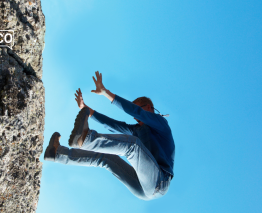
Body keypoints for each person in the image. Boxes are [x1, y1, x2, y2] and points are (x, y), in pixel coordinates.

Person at [44, 71, 175, 200]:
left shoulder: (160, 123)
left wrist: (106, 92)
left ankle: (85, 139)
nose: (135, 118)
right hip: (143, 188)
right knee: (105, 157)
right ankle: (57, 153)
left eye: (138, 113)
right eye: (134, 117)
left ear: (148, 108)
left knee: (133, 145)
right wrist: (86, 109)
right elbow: (112, 125)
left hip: (159, 181)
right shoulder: (137, 130)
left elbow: (138, 112)